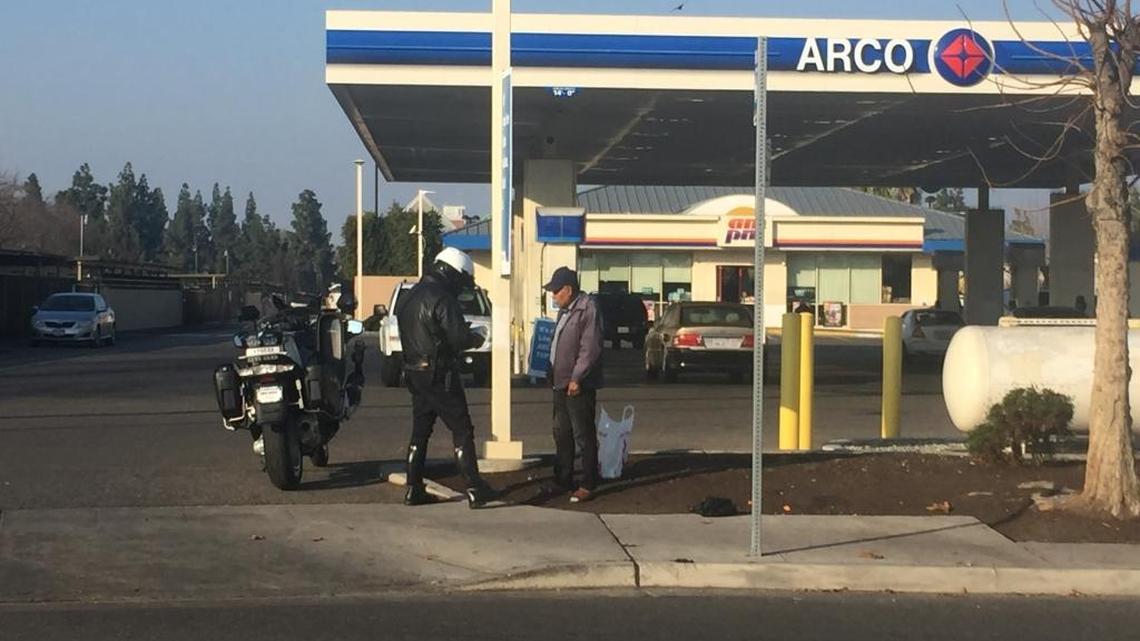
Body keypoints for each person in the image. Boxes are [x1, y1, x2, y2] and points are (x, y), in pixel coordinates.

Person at [396, 248, 497, 508]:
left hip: (414, 371)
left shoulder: (409, 296)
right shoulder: (441, 298)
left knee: (420, 432)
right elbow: (458, 338)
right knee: (462, 429)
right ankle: (474, 487)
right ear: (451, 273)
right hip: (440, 373)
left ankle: (413, 488)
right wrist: (478, 336)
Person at [544, 267, 604, 503]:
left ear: (568, 289)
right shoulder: (565, 311)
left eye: (556, 291)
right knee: (562, 432)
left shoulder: (588, 308)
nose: (553, 296)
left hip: (578, 384)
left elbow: (590, 348)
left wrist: (577, 378)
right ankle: (563, 478)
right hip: (560, 383)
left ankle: (588, 483)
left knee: (583, 433)